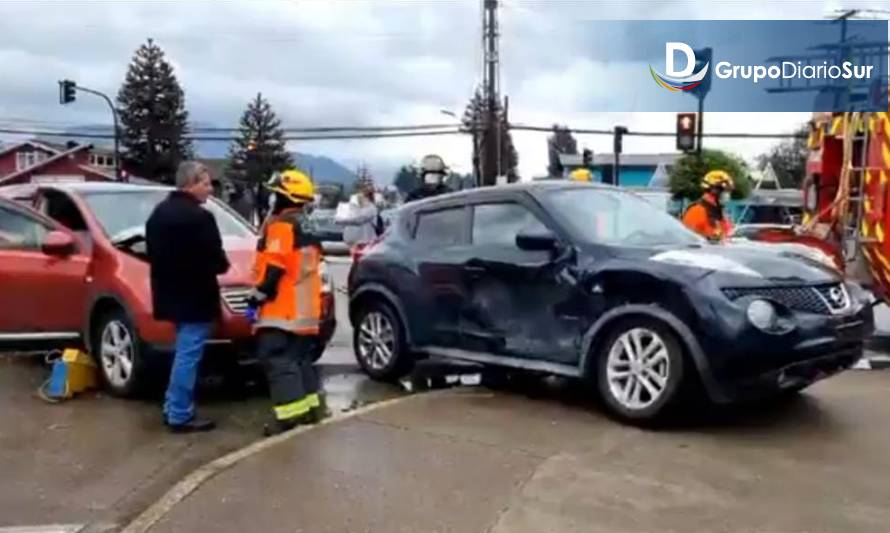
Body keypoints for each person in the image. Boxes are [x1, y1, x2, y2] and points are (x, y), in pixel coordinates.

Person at [146, 161, 230, 433]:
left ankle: (173, 406)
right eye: (205, 184)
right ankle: (180, 413)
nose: (209, 190)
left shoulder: (158, 214)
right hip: (195, 296)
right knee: (188, 355)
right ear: (190, 184)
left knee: (182, 352)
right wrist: (220, 265)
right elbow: (216, 260)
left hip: (169, 295)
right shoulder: (200, 218)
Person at [247, 169, 326, 436]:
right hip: (306, 311)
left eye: (275, 194)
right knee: (301, 361)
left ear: (285, 197)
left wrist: (258, 296)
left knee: (279, 362)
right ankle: (311, 411)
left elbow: (275, 267)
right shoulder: (308, 225)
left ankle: (290, 419)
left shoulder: (282, 226)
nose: (272, 199)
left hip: (283, 309)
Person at [682, 169, 735, 242]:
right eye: (725, 191)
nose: (728, 195)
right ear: (715, 190)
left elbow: (725, 237)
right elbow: (689, 241)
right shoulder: (697, 211)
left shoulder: (718, 212)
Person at [335, 178, 381, 249]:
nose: (360, 194)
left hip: (365, 244)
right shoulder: (350, 205)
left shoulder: (371, 208)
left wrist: (344, 219)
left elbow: (359, 220)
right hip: (349, 243)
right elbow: (338, 219)